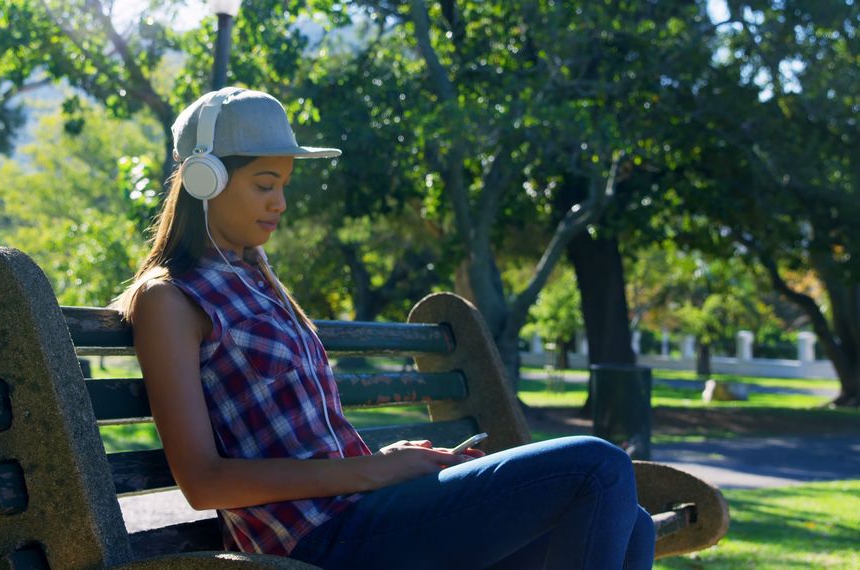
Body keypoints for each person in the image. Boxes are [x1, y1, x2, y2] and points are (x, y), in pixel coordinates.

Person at [113, 87, 654, 569]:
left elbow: (312, 445)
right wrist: (372, 473)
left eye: (284, 185)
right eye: (264, 184)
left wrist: (381, 463)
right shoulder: (171, 299)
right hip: (319, 541)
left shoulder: (256, 277)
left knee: (634, 520)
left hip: (363, 515)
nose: (280, 203)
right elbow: (204, 483)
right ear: (204, 179)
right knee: (598, 467)